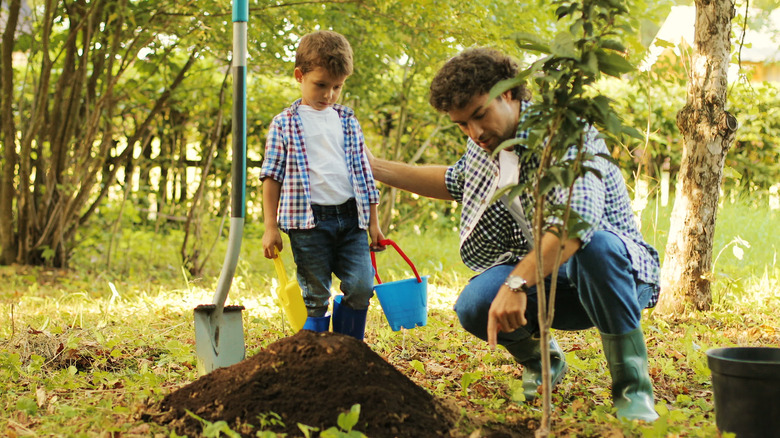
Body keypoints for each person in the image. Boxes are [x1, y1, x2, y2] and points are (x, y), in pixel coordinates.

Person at [367, 47, 660, 421]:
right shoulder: (487, 142)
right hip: (552, 280)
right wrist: (375, 166)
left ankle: (633, 390)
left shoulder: (565, 132)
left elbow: (575, 223)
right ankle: (542, 360)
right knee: (474, 304)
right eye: (462, 125)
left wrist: (517, 284)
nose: (474, 133)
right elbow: (453, 180)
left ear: (507, 93)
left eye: (479, 115)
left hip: (616, 280)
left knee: (596, 246)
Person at [260, 30, 385, 341]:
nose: (329, 94)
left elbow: (364, 174)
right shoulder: (284, 123)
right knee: (315, 296)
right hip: (307, 223)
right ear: (299, 76)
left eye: (337, 87)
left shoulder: (347, 121)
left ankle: (348, 352)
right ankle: (316, 355)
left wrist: (374, 224)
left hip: (351, 220)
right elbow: (271, 176)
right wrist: (270, 226)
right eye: (321, 85)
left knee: (361, 287)